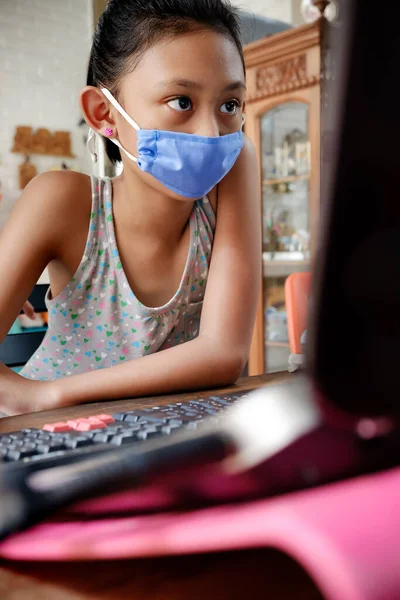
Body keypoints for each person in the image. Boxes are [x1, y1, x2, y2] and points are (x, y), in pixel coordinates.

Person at [0, 0, 260, 415]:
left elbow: (224, 352)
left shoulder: (236, 166)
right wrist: (40, 399)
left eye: (230, 105)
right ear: (105, 114)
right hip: (45, 437)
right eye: (181, 102)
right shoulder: (62, 200)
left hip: (150, 439)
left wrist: (54, 393)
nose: (212, 134)